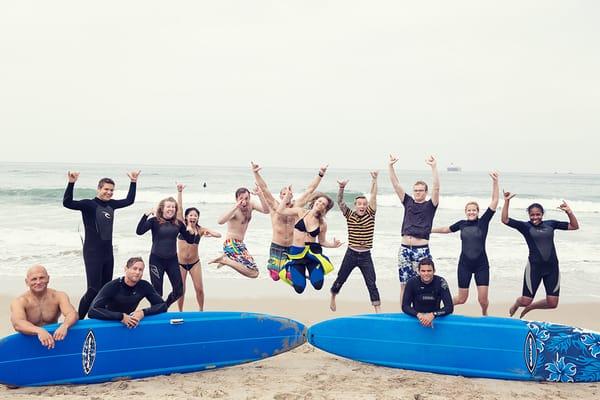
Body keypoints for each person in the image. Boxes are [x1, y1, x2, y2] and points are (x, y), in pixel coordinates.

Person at [63, 170, 141, 319]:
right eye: (106, 189)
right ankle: (78, 320)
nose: (109, 192)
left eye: (111, 190)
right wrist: (71, 183)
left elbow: (129, 200)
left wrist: (133, 181)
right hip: (92, 252)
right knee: (93, 289)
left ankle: (99, 317)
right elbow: (67, 203)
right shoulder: (88, 204)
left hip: (107, 253)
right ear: (98, 189)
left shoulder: (112, 205)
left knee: (106, 289)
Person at [431, 172, 499, 315]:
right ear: (465, 212)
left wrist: (495, 182)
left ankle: (484, 312)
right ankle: (440, 307)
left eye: (474, 210)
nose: (471, 212)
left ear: (478, 212)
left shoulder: (483, 222)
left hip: (481, 265)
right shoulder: (461, 224)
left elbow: (494, 201)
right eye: (469, 210)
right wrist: (429, 230)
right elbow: (446, 229)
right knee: (462, 299)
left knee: (483, 299)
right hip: (464, 265)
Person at [502, 192, 579, 318]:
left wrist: (569, 212)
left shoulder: (551, 224)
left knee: (553, 303)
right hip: (534, 268)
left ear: (542, 214)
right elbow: (505, 220)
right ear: (529, 215)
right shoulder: (525, 226)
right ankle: (518, 303)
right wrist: (507, 201)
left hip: (552, 268)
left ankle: (531, 307)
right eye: (532, 215)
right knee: (525, 300)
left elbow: (574, 226)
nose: (535, 217)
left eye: (538, 214)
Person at [251, 162, 327, 281]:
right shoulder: (274, 206)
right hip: (277, 246)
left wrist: (321, 174)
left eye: (288, 193)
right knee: (275, 277)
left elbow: (310, 190)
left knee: (293, 276)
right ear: (280, 196)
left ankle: (296, 272)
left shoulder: (297, 207)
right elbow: (264, 188)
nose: (285, 195)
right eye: (283, 194)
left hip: (292, 247)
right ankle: (287, 271)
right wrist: (255, 173)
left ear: (292, 195)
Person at [388, 155, 440, 304]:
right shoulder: (408, 201)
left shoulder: (431, 205)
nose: (417, 192)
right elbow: (396, 185)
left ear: (425, 192)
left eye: (421, 190)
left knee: (422, 284)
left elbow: (437, 187)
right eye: (415, 190)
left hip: (421, 250)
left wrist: (434, 167)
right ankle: (404, 312)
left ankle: (422, 310)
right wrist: (391, 166)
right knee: (404, 284)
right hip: (404, 249)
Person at [330, 172, 381, 313]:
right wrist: (341, 188)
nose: (362, 206)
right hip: (351, 253)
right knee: (341, 277)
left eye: (364, 204)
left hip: (365, 256)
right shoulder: (349, 215)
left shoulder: (371, 214)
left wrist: (374, 180)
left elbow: (374, 196)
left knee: (371, 282)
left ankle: (377, 308)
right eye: (359, 204)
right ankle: (333, 296)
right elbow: (339, 202)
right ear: (355, 205)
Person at [136, 197, 199, 307]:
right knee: (157, 292)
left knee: (179, 290)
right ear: (162, 208)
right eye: (168, 206)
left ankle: (164, 306)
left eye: (173, 207)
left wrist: (191, 231)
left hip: (172, 260)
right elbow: (139, 231)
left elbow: (190, 240)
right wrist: (145, 215)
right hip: (156, 260)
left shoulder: (178, 223)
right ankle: (157, 312)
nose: (171, 209)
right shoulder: (154, 221)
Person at [276, 190, 343, 293]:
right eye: (319, 201)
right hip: (296, 254)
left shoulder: (322, 224)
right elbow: (280, 210)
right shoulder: (300, 212)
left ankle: (312, 273)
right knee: (299, 289)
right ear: (315, 201)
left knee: (318, 285)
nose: (320, 204)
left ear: (325, 209)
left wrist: (333, 245)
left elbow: (322, 241)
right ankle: (294, 272)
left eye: (323, 204)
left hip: (312, 254)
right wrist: (287, 197)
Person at [175, 184, 221, 311]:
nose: (193, 217)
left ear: (198, 218)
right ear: (186, 217)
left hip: (195, 263)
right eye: (191, 215)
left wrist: (210, 233)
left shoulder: (200, 230)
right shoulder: (181, 227)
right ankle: (180, 311)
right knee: (181, 290)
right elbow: (179, 209)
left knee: (199, 289)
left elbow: (219, 234)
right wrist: (179, 192)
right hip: (180, 263)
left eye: (195, 215)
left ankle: (201, 310)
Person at [10, 265, 78, 349]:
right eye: (34, 279)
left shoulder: (59, 296)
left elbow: (72, 313)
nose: (38, 282)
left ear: (48, 278)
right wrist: (39, 331)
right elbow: (17, 323)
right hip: (30, 341)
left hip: (53, 340)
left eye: (41, 278)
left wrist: (65, 325)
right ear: (27, 282)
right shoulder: (20, 301)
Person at [88, 257, 167, 328]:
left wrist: (143, 312)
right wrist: (121, 317)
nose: (137, 272)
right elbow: (92, 311)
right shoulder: (113, 286)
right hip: (109, 322)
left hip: (130, 322)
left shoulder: (144, 286)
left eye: (140, 270)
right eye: (134, 268)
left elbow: (162, 306)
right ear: (126, 269)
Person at [209, 187, 269, 278]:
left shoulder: (251, 205)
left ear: (249, 198)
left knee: (255, 272)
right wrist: (235, 207)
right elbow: (220, 221)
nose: (244, 201)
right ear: (236, 199)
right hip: (231, 243)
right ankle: (226, 260)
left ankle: (226, 260)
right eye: (241, 199)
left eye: (246, 198)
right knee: (253, 273)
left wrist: (260, 195)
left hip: (240, 244)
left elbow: (266, 210)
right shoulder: (234, 211)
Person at [402, 258, 453, 328]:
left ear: (434, 271)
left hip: (435, 317)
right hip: (417, 317)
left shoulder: (441, 282)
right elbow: (405, 306)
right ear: (418, 271)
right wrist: (418, 315)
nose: (426, 274)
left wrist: (433, 314)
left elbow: (449, 307)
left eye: (429, 271)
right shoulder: (411, 282)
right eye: (423, 271)